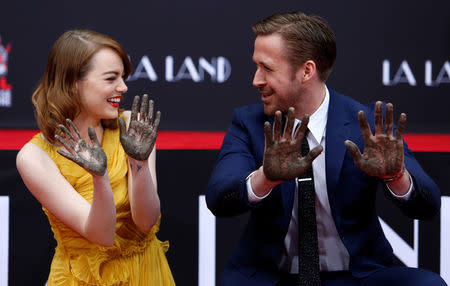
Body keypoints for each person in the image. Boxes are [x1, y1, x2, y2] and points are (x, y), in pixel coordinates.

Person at [205, 11, 446, 286]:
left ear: (307, 71)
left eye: (267, 68)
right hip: (271, 277)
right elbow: (217, 197)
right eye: (256, 66)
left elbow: (429, 206)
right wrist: (265, 179)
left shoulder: (366, 125)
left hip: (357, 277)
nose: (256, 79)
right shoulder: (248, 123)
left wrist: (396, 177)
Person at [16, 30, 175, 285]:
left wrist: (139, 162)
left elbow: (146, 222)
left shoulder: (131, 126)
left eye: (123, 77)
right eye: (111, 78)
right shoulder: (34, 157)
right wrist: (99, 177)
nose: (123, 87)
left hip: (146, 272)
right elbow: (101, 235)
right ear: (72, 83)